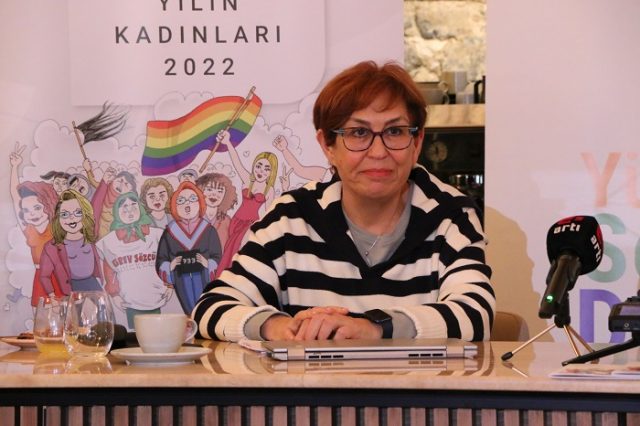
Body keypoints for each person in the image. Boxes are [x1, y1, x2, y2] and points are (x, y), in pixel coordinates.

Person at [193, 60, 495, 342]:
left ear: (417, 142)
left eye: (395, 131)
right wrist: (280, 326)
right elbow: (211, 307)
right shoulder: (290, 217)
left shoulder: (451, 215)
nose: (378, 152)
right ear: (327, 146)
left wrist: (373, 328)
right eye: (358, 133)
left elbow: (475, 315)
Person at [40, 189, 103, 295]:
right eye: (65, 214)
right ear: (58, 218)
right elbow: (44, 276)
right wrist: (52, 296)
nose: (72, 218)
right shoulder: (52, 247)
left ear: (85, 214)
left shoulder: (91, 237)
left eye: (78, 212)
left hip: (94, 287)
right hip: (71, 291)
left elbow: (97, 204)